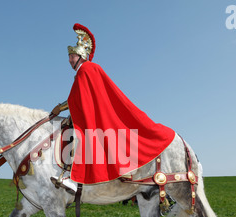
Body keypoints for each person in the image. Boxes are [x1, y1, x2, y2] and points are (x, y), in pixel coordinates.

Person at [51, 24, 175, 195]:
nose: (69, 60)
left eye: (72, 56)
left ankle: (72, 179)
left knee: (78, 135)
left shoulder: (86, 69)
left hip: (93, 116)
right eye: (69, 57)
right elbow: (81, 98)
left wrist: (60, 107)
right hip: (91, 112)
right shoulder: (86, 70)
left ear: (80, 56)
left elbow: (77, 98)